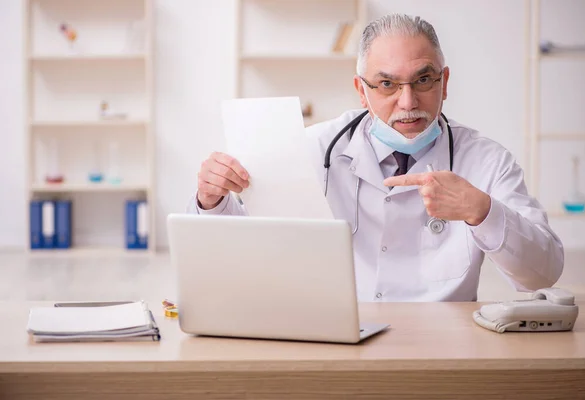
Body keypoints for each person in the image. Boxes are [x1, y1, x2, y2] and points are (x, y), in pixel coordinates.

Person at [187, 13, 564, 302]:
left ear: (444, 82)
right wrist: (211, 199)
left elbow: (541, 274)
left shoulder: (487, 161)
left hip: (444, 348)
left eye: (423, 80)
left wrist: (482, 210)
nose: (408, 101)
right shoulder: (312, 148)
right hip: (336, 339)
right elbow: (236, 250)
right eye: (386, 84)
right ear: (361, 91)